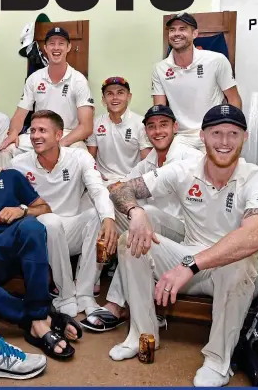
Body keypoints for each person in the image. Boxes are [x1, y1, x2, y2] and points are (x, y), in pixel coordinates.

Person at [107, 104, 258, 387]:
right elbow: (123, 189)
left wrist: (191, 264)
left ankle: (217, 360)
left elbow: (254, 237)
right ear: (202, 136)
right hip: (190, 258)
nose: (224, 142)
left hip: (234, 270)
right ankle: (143, 335)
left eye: (232, 133)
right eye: (216, 133)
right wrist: (137, 213)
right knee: (130, 241)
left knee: (240, 261)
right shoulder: (183, 170)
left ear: (244, 137)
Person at [0, 129, 82, 360]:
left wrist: (22, 210)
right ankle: (37, 319)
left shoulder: (10, 177)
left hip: (19, 244)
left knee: (31, 225)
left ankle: (38, 317)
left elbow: (45, 209)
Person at [82, 104, 202, 332]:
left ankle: (116, 305)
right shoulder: (147, 162)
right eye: (151, 127)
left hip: (186, 234)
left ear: (175, 127)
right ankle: (86, 291)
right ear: (145, 132)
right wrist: (117, 214)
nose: (158, 131)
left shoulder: (192, 157)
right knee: (108, 211)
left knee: (148, 216)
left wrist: (137, 212)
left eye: (163, 125)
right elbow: (120, 188)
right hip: (153, 234)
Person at [11, 110, 117, 319]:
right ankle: (66, 295)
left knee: (99, 215)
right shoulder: (19, 164)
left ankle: (85, 293)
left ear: (59, 135)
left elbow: (97, 188)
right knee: (50, 222)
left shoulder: (79, 157)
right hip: (40, 236)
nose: (35, 136)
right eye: (33, 130)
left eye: (43, 130)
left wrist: (109, 219)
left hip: (70, 230)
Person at [151, 13, 242, 152]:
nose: (176, 33)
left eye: (182, 29)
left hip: (213, 132)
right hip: (182, 137)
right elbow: (160, 110)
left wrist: (232, 133)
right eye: (172, 30)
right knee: (173, 170)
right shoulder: (160, 68)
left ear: (195, 34)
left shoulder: (216, 60)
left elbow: (233, 98)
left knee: (214, 172)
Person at [0, 27, 94, 155]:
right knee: (7, 150)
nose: (56, 48)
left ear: (68, 47)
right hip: (38, 133)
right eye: (52, 43)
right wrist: (13, 133)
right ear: (45, 48)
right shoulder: (34, 78)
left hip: (67, 135)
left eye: (61, 43)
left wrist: (60, 143)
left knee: (82, 155)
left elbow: (86, 126)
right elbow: (19, 115)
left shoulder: (78, 80)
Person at [86, 77, 152, 185]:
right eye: (110, 94)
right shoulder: (95, 122)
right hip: (102, 182)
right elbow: (89, 158)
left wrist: (130, 181)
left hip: (131, 182)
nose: (115, 98)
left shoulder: (140, 124)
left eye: (120, 93)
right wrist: (94, 172)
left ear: (128, 97)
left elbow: (147, 162)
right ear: (103, 99)